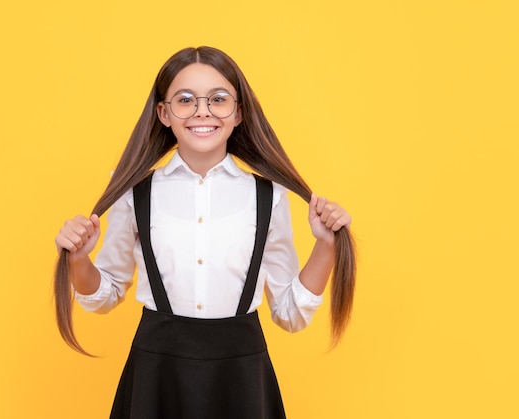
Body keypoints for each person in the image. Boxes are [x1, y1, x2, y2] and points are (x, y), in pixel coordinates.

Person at [54, 46, 356, 419]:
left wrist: (326, 247)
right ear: (163, 113)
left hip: (241, 380)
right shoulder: (135, 192)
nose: (202, 111)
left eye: (218, 99)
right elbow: (104, 295)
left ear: (238, 111)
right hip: (156, 378)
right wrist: (79, 258)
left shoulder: (269, 197)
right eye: (185, 100)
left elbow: (289, 313)